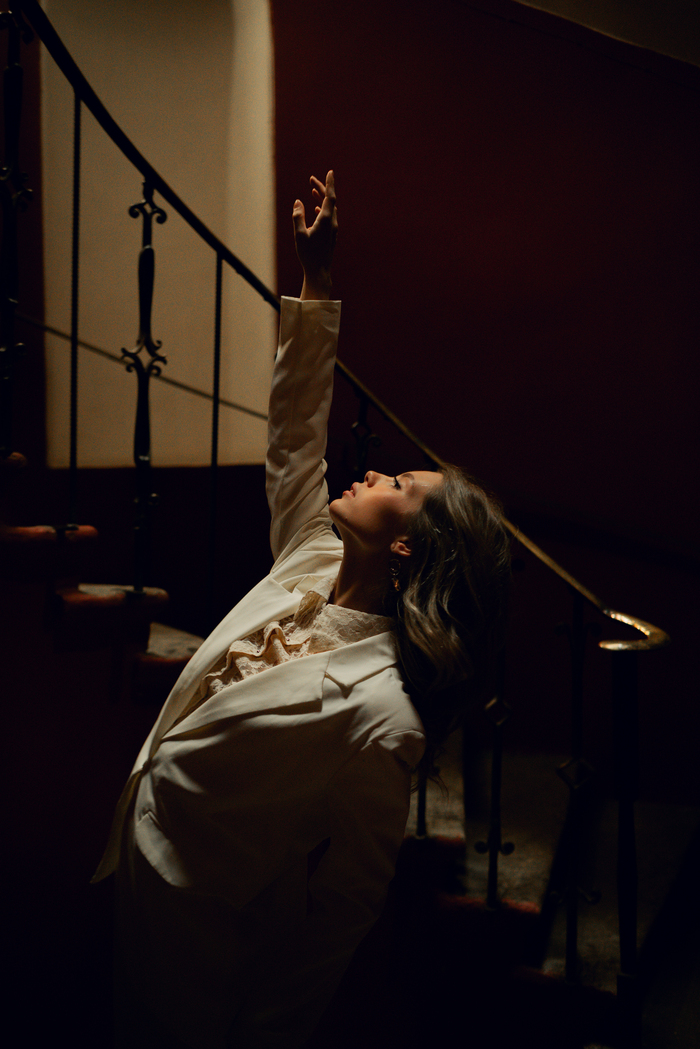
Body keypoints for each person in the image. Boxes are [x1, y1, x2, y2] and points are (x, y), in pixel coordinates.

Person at [95, 171, 510, 1049]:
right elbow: (294, 439)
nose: (375, 471)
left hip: (208, 933)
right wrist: (317, 282)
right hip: (137, 858)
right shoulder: (311, 554)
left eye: (398, 485)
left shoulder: (383, 714)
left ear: (409, 548)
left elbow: (345, 905)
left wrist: (273, 1030)